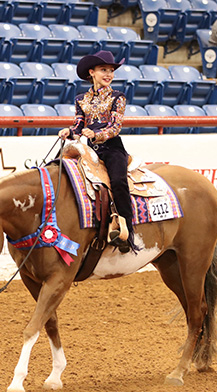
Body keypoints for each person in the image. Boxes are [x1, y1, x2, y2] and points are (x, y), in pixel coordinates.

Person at [58, 50, 135, 253]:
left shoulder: (118, 97)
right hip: (90, 150)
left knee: (118, 182)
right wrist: (70, 131)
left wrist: (95, 134)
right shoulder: (81, 99)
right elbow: (78, 124)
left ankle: (129, 234)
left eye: (111, 70)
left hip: (112, 149)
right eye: (103, 70)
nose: (108, 74)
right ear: (91, 72)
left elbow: (115, 127)